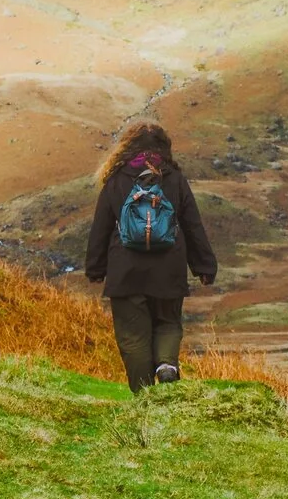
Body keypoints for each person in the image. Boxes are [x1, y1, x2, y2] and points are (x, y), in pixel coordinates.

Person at [83, 119, 217, 393]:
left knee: (133, 338)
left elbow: (101, 227)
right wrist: (204, 266)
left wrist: (95, 268)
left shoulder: (116, 179)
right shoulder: (175, 179)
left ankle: (144, 396)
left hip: (126, 273)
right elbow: (192, 225)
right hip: (169, 270)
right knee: (168, 323)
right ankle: (166, 366)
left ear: (127, 147)